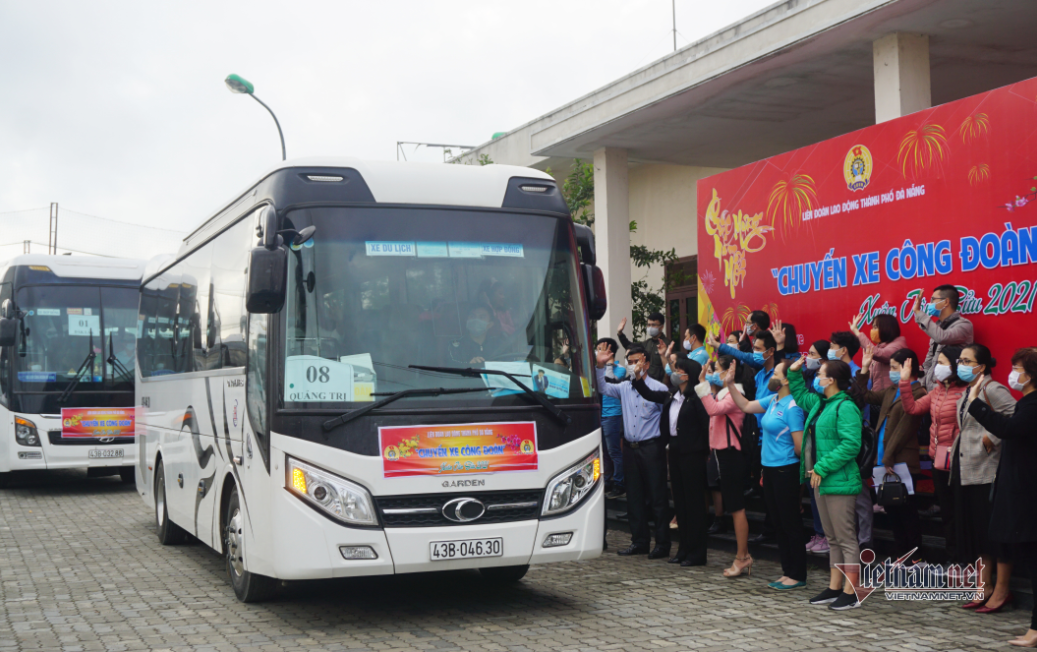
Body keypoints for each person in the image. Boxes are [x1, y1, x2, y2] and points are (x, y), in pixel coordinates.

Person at [966, 347, 1037, 648]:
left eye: (1017, 369)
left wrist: (977, 405)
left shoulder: (1033, 406)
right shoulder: (1027, 403)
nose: (1013, 375)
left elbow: (1008, 428)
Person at [788, 356, 864, 611]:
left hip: (838, 480)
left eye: (820, 374)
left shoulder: (846, 407)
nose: (817, 378)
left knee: (845, 538)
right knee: (832, 537)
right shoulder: (821, 404)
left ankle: (851, 591)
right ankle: (834, 587)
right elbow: (799, 395)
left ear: (831, 380)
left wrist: (821, 466)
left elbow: (851, 444)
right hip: (820, 479)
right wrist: (794, 372)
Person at [724, 359, 807, 589]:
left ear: (786, 380)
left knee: (790, 522)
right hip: (769, 470)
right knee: (779, 522)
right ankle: (787, 571)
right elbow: (747, 406)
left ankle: (798, 573)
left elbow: (800, 446)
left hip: (785, 470)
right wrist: (730, 384)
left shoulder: (792, 407)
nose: (771, 377)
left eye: (776, 373)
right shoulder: (773, 400)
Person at [951, 344, 1015, 613]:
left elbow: (1015, 416)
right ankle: (983, 586)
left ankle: (1002, 591)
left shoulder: (993, 389)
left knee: (995, 534)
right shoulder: (968, 390)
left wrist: (994, 438)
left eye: (967, 360)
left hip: (988, 472)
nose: (961, 364)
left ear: (983, 365)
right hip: (967, 471)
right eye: (960, 360)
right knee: (978, 533)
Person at [595, 343, 671, 558]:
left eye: (636, 361)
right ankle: (639, 541)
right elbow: (603, 387)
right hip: (630, 448)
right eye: (629, 362)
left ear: (646, 363)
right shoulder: (624, 387)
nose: (633, 365)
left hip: (651, 448)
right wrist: (600, 366)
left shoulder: (658, 388)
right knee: (634, 498)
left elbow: (666, 421)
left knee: (657, 498)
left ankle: (662, 544)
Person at [633, 357, 710, 566]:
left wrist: (703, 450)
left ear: (688, 375)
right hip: (674, 451)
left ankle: (697, 552)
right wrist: (638, 376)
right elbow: (648, 393)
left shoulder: (696, 398)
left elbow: (706, 427)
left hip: (693, 454)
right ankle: (683, 549)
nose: (675, 373)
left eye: (679, 370)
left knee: (694, 505)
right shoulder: (671, 396)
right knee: (681, 505)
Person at [857, 346, 926, 562]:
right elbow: (864, 395)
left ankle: (915, 555)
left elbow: (905, 428)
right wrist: (865, 369)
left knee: (906, 510)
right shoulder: (890, 391)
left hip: (901, 461)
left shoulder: (918, 392)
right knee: (892, 509)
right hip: (882, 460)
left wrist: (887, 457)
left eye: (895, 368)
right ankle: (901, 553)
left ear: (908, 368)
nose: (891, 372)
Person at [900, 346, 967, 561]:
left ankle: (966, 559)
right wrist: (904, 383)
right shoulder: (937, 390)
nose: (938, 367)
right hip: (938, 460)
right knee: (947, 513)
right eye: (937, 362)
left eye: (943, 362)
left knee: (960, 513)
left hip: (959, 462)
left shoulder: (966, 392)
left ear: (956, 365)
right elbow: (912, 408)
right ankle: (953, 557)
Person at [694, 356, 751, 577]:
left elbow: (713, 410)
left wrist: (702, 384)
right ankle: (742, 556)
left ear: (729, 371)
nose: (712, 372)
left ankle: (742, 557)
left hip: (732, 455)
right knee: (733, 505)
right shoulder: (723, 393)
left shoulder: (735, 394)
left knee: (737, 507)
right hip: (721, 454)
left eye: (716, 369)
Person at [913, 284, 974, 390]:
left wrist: (919, 312)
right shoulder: (937, 326)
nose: (930, 304)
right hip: (932, 390)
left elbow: (942, 338)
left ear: (945, 302)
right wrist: (922, 384)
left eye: (933, 300)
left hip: (950, 389)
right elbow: (929, 361)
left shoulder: (964, 325)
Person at [803, 340, 831, 554]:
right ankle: (819, 533)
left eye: (811, 353)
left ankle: (828, 536)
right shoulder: (808, 379)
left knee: (823, 494)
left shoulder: (837, 401)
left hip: (826, 452)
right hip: (811, 446)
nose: (807, 357)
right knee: (813, 492)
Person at [596, 338, 626, 500]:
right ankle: (606, 481)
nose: (597, 353)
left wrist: (607, 365)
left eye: (600, 349)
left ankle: (619, 483)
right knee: (604, 452)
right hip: (600, 414)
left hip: (612, 414)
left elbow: (609, 380)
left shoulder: (620, 369)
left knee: (614, 451)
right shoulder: (597, 368)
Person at [850, 313, 907, 392]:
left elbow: (879, 354)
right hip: (876, 396)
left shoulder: (897, 346)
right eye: (873, 327)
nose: (872, 330)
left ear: (886, 328)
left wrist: (856, 332)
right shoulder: (878, 346)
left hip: (890, 397)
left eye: (875, 327)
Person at [617, 314, 668, 382]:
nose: (650, 327)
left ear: (661, 327)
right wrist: (620, 333)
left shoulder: (667, 344)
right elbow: (629, 346)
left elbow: (671, 369)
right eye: (649, 325)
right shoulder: (647, 343)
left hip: (660, 384)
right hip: (645, 383)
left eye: (653, 325)